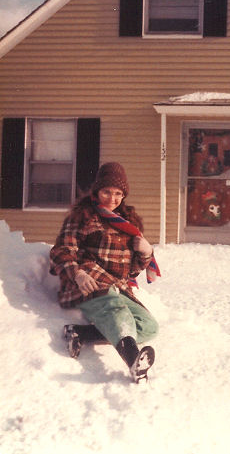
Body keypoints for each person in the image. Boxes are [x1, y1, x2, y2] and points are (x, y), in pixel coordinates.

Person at [50, 162, 160, 383]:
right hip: (88, 282)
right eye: (107, 191)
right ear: (97, 191)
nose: (112, 198)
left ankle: (81, 332)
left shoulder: (128, 224)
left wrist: (146, 254)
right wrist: (78, 274)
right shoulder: (82, 217)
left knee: (149, 327)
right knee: (117, 310)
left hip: (118, 287)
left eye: (118, 193)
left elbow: (131, 272)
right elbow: (62, 250)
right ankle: (133, 362)